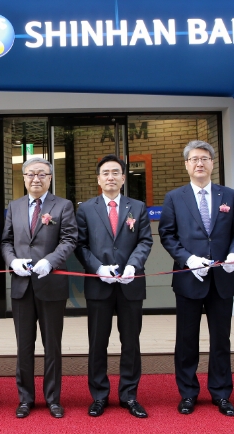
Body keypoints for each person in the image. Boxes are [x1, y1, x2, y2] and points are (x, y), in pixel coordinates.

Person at [158, 140, 234, 417]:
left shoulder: (229, 195)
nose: (199, 163)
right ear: (186, 164)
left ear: (212, 163)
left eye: (204, 158)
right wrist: (188, 259)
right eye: (194, 159)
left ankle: (221, 394)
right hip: (189, 279)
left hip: (222, 279)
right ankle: (188, 393)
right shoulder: (175, 197)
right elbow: (167, 235)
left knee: (221, 339)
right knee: (187, 340)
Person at [75, 155, 153, 418]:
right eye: (105, 173)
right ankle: (99, 395)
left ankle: (129, 395)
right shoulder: (86, 209)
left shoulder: (137, 207)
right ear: (98, 179)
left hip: (131, 284)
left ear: (123, 178)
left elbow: (145, 241)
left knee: (130, 342)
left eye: (115, 172)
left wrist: (133, 265)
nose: (110, 177)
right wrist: (98, 268)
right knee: (98, 342)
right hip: (99, 285)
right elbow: (80, 245)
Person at [1, 157, 77, 419]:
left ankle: (53, 399)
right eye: (31, 174)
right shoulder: (14, 206)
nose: (36, 178)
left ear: (50, 178)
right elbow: (6, 241)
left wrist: (50, 261)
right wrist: (13, 262)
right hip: (22, 286)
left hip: (51, 285)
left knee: (52, 345)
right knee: (24, 346)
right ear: (23, 177)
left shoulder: (63, 206)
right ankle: (25, 398)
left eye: (42, 174)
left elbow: (69, 239)